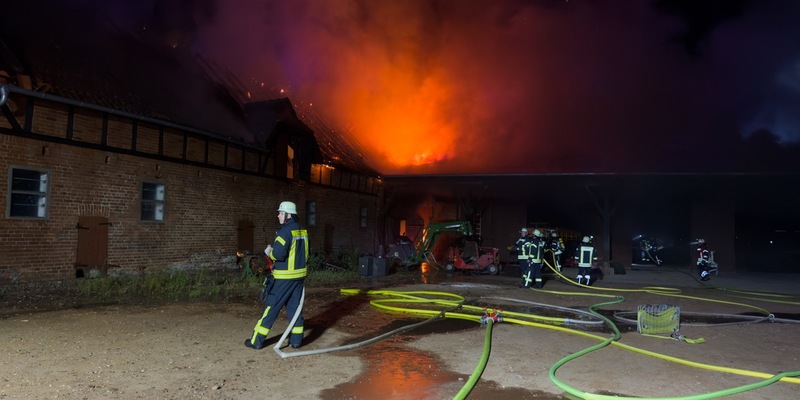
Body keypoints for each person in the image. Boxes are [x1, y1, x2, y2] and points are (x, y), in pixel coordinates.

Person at [245, 200, 310, 350]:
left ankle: (256, 341)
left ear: (288, 215)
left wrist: (270, 253)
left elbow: (279, 255)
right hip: (299, 278)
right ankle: (296, 341)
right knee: (295, 309)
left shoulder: (285, 231)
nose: (278, 216)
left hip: (284, 278)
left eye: (281, 213)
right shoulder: (303, 230)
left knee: (271, 307)